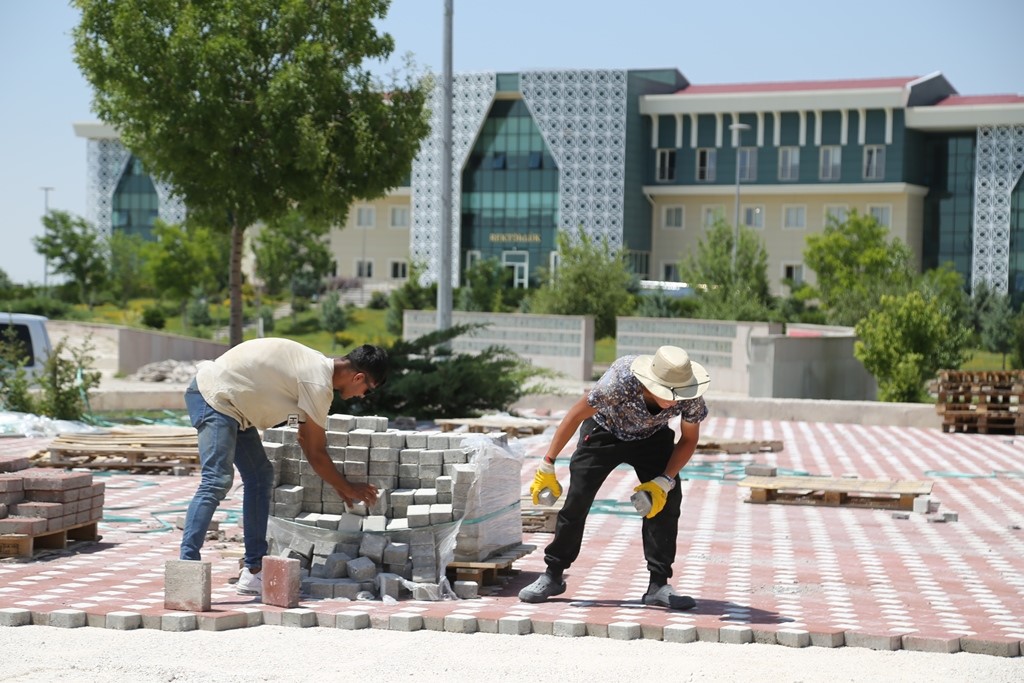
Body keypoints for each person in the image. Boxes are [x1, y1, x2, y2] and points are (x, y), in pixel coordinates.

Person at [179, 339, 388, 596]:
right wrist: (345, 486)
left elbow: (305, 438)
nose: (363, 396)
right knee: (217, 480)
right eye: (368, 390)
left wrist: (340, 485)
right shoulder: (318, 383)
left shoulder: (316, 369)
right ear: (358, 377)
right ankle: (186, 568)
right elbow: (314, 449)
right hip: (215, 397)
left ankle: (254, 570)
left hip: (235, 408)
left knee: (260, 476)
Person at [519, 345, 709, 610]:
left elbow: (689, 439)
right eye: (667, 394)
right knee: (577, 500)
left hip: (652, 438)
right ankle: (553, 574)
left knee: (666, 503)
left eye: (678, 394)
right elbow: (575, 414)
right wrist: (547, 462)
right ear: (650, 382)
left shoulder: (689, 393)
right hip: (603, 431)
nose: (674, 401)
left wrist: (665, 480)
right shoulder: (620, 381)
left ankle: (658, 585)